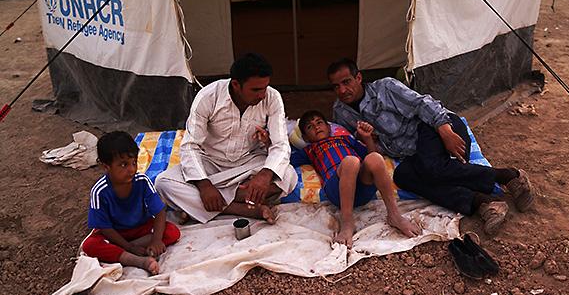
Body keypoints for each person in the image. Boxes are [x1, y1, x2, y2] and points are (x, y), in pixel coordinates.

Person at [326, 58, 534, 235]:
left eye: (347, 82)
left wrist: (445, 131)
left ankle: (509, 176)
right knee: (403, 176)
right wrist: (368, 139)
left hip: (433, 128)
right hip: (412, 152)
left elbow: (422, 104)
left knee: (432, 167)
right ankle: (484, 203)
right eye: (336, 86)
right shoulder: (341, 114)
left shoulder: (385, 87)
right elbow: (373, 151)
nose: (342, 90)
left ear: (359, 78)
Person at [155, 52, 297, 224]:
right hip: (210, 163)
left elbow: (281, 145)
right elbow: (190, 146)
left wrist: (265, 175)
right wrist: (204, 185)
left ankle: (211, 203)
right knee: (163, 183)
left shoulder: (272, 98)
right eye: (256, 90)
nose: (262, 95)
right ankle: (242, 208)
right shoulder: (208, 97)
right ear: (236, 84)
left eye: (265, 87)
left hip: (248, 163)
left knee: (289, 176)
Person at [275, 110, 421, 249]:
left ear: (328, 127)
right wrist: (270, 144)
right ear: (306, 138)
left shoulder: (345, 139)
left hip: (362, 187)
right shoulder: (309, 150)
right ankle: (347, 223)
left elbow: (370, 154)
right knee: (350, 162)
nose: (316, 127)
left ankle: (394, 215)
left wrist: (367, 138)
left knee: (375, 158)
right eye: (309, 127)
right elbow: (284, 159)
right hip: (337, 189)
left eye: (319, 122)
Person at [81, 131, 181, 274]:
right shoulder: (99, 191)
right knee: (90, 245)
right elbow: (104, 227)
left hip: (141, 229)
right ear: (106, 167)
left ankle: (122, 251)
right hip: (115, 234)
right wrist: (128, 247)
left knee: (172, 232)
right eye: (123, 165)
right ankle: (138, 260)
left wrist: (157, 241)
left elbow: (159, 212)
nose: (132, 169)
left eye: (134, 162)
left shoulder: (142, 181)